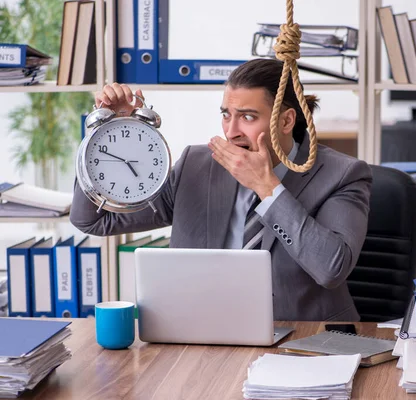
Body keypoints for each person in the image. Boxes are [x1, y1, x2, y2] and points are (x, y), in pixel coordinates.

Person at [70, 58, 372, 321]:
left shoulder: (342, 174)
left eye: (248, 117)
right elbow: (94, 220)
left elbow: (331, 268)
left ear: (286, 120)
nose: (231, 130)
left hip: (302, 340)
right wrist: (108, 132)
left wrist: (267, 187)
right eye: (226, 114)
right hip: (203, 335)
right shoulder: (196, 165)